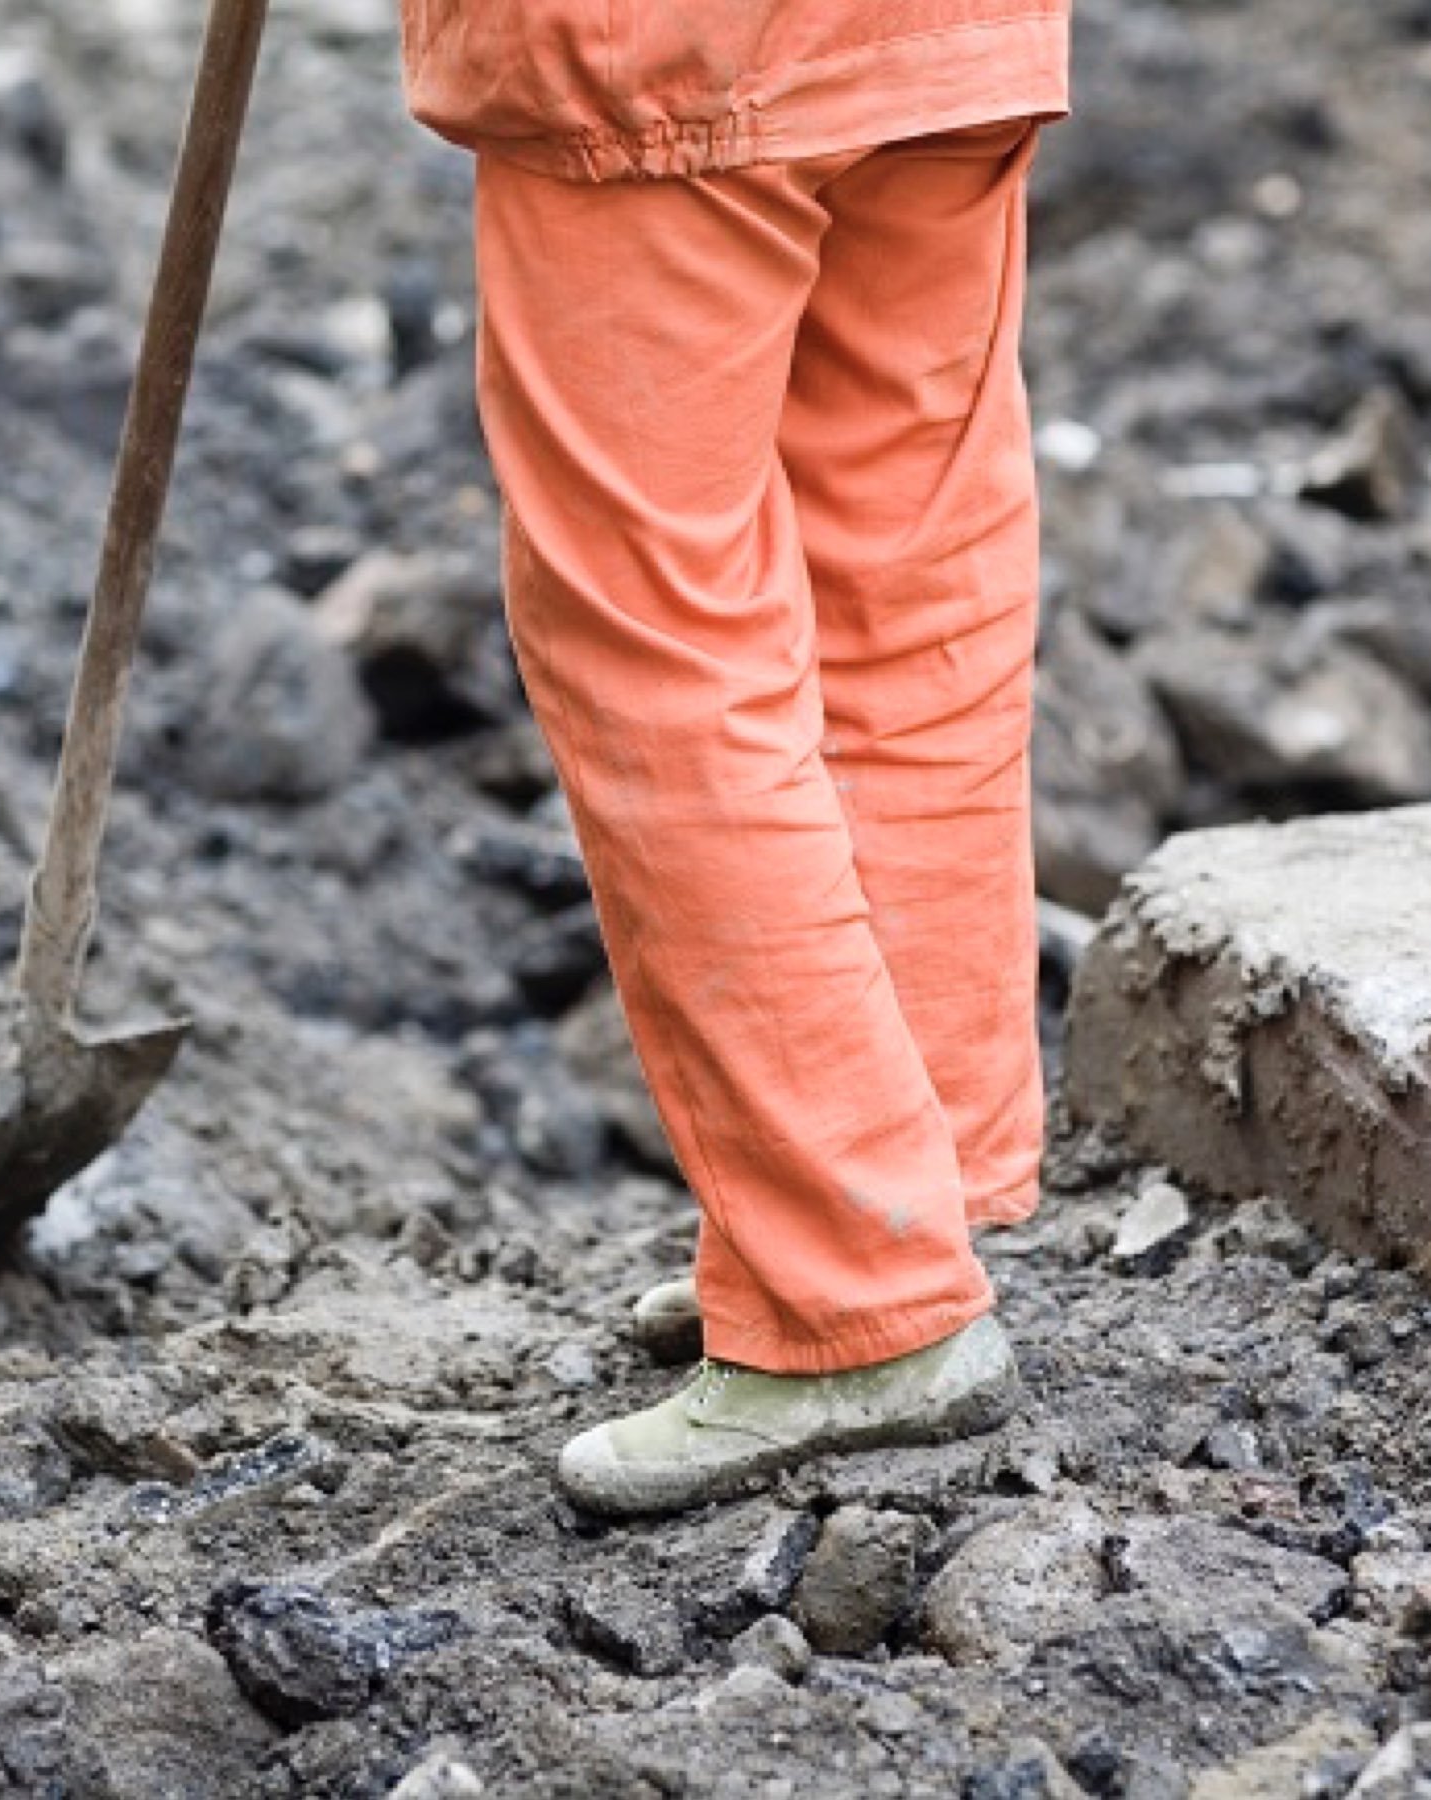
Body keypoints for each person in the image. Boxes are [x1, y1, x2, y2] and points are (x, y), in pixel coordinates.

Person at [399, 1, 1072, 1515]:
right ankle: (912, 1185)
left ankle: (848, 1287)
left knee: (659, 634)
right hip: (935, 35)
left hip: (666, 49)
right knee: (902, 587)